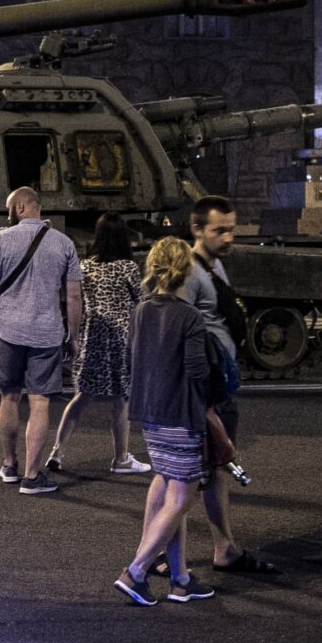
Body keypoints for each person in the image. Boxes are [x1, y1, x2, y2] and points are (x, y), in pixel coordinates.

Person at [114, 238, 226, 606]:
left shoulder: (141, 310)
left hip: (149, 412)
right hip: (181, 412)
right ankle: (136, 571)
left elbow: (134, 361)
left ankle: (180, 579)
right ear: (185, 271)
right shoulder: (190, 316)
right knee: (181, 496)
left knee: (167, 484)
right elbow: (197, 371)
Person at [0, 186, 84, 496]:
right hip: (46, 332)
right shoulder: (64, 244)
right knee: (40, 401)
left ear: (22, 206)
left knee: (9, 397)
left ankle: (10, 465)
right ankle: (32, 475)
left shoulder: (1, 240)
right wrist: (73, 336)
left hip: (6, 330)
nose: (7, 213)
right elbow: (74, 294)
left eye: (9, 207)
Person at [181, 195, 266, 572]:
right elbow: (175, 330)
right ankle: (163, 561)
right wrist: (196, 396)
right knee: (183, 477)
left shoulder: (214, 265)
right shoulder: (187, 271)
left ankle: (224, 549)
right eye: (220, 230)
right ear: (196, 229)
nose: (229, 237)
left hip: (219, 387)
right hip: (202, 392)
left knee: (214, 468)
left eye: (232, 229)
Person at [56, 212, 149, 475]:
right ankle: (120, 459)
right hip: (120, 337)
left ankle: (57, 452)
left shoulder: (86, 266)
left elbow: (78, 298)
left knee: (82, 396)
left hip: (93, 335)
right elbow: (140, 301)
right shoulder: (127, 268)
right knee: (121, 398)